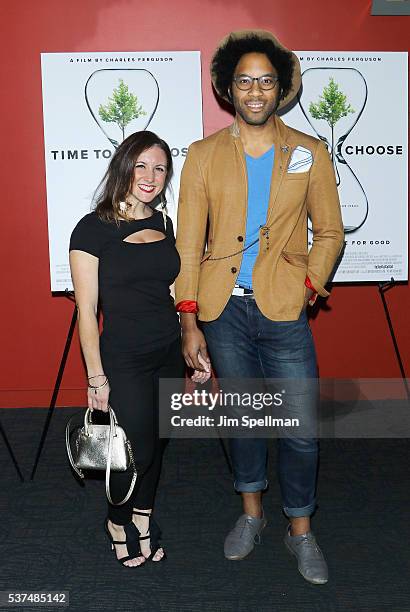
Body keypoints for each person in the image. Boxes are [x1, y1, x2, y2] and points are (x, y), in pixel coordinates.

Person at [175, 30, 344, 584]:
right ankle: (251, 515)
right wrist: (190, 320)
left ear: (281, 89)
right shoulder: (201, 157)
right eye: (244, 80)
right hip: (224, 313)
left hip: (284, 310)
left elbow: (331, 232)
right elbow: (187, 245)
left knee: (299, 429)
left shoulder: (308, 152)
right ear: (228, 88)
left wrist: (308, 288)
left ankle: (301, 529)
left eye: (266, 81)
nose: (255, 90)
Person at [69, 130, 188, 567]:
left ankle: (143, 515)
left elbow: (172, 287)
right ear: (124, 166)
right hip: (124, 357)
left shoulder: (163, 222)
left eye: (160, 168)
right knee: (134, 446)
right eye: (141, 165)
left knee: (159, 440)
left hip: (168, 350)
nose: (150, 176)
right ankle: (117, 522)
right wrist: (95, 377)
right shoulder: (91, 228)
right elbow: (87, 311)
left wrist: (193, 341)